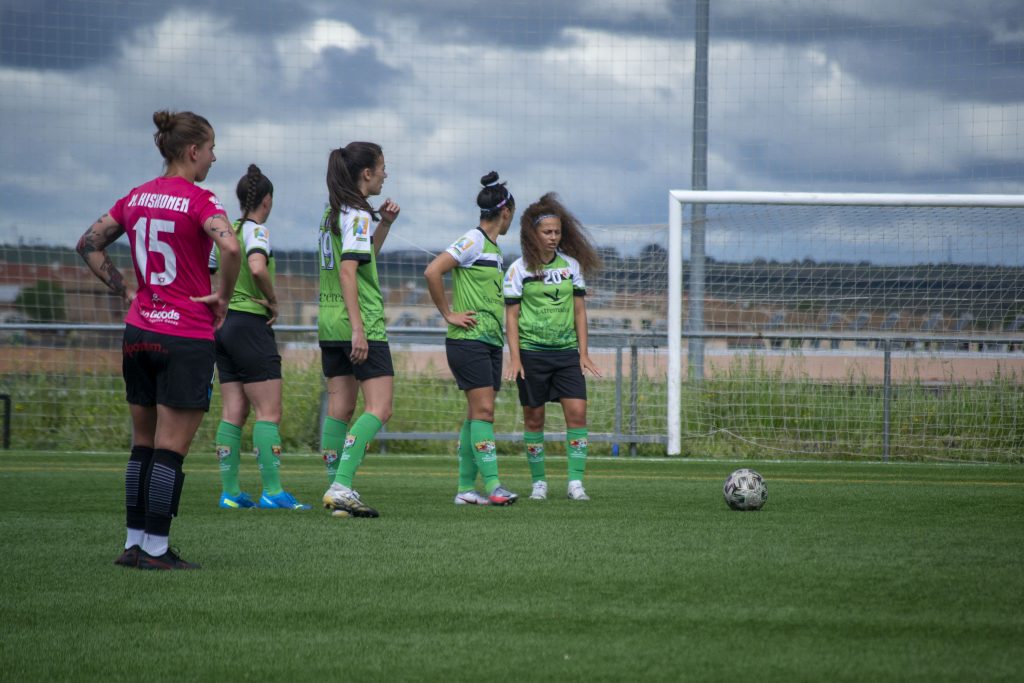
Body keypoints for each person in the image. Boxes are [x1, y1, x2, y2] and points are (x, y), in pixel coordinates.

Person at [76, 110, 241, 569]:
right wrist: (223, 297)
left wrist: (126, 289)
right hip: (184, 334)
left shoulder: (136, 197)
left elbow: (88, 243)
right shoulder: (201, 200)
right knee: (171, 448)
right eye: (210, 147)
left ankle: (133, 544)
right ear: (192, 151)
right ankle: (157, 550)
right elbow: (230, 246)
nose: (214, 156)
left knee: (143, 443)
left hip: (139, 331)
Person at [210, 164, 310, 511]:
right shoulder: (257, 231)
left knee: (232, 411)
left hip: (222, 327)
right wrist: (273, 300)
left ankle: (231, 493)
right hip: (251, 324)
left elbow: (211, 272)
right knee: (269, 413)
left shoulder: (227, 232)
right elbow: (256, 267)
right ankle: (272, 491)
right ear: (267, 200)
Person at [424, 171, 519, 506]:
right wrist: (448, 313)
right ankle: (493, 486)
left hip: (488, 342)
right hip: (469, 341)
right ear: (505, 212)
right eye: (513, 217)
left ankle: (466, 490)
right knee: (484, 412)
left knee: (474, 415)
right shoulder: (474, 240)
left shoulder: (493, 247)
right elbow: (433, 270)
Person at [318, 142, 400, 518]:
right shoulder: (357, 212)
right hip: (358, 321)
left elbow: (363, 259)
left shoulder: (332, 211)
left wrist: (385, 224)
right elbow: (349, 272)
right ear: (366, 173)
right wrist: (359, 329)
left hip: (328, 320)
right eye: (383, 167)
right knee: (380, 407)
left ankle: (337, 490)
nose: (386, 174)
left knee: (341, 408)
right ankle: (341, 485)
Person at [503, 192, 601, 501]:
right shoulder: (518, 270)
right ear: (532, 234)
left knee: (578, 413)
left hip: (566, 354)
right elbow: (512, 316)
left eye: (557, 232)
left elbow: (580, 311)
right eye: (547, 232)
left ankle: (575, 483)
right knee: (534, 419)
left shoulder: (571, 266)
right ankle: (539, 483)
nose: (553, 237)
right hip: (532, 354)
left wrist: (583, 354)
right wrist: (515, 358)